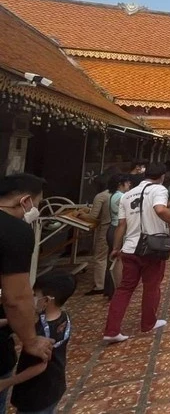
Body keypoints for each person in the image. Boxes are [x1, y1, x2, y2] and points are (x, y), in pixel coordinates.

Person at [103, 163, 170, 343]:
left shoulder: (127, 195)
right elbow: (160, 209)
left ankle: (111, 330)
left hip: (130, 247)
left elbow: (121, 225)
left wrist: (116, 248)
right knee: (151, 285)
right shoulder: (159, 189)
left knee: (124, 289)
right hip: (152, 247)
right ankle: (148, 322)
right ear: (162, 176)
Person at [0, 174, 54, 413]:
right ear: (25, 201)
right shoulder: (14, 230)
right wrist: (30, 341)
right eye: (36, 204)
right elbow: (16, 297)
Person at [3, 272, 75, 414]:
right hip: (55, 386)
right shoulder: (63, 317)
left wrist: (6, 383)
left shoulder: (42, 334)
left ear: (47, 301)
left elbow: (39, 367)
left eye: (34, 295)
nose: (31, 298)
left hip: (36, 394)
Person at [84, 184, 113, 296]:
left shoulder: (101, 196)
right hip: (118, 228)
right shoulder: (120, 195)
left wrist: (81, 214)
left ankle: (100, 285)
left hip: (105, 228)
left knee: (100, 257)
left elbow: (93, 216)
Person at [105, 175, 130, 298]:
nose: (129, 184)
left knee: (112, 261)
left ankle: (110, 289)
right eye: (127, 182)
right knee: (118, 261)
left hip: (113, 228)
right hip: (118, 229)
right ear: (121, 184)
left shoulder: (114, 195)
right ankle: (116, 289)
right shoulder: (121, 197)